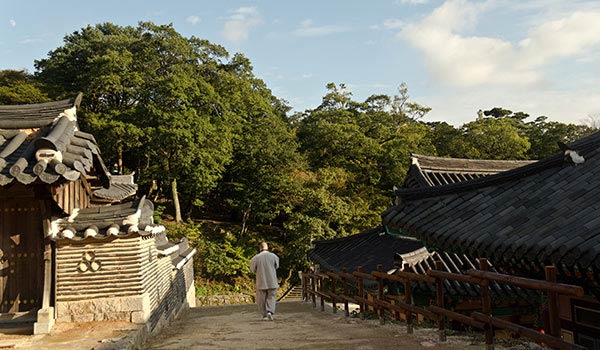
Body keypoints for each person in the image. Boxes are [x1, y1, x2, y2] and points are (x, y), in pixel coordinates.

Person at [249, 242, 279, 321]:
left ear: (260, 248)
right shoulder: (274, 256)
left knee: (261, 299)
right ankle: (270, 311)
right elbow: (277, 266)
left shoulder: (255, 258)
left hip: (261, 280)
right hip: (272, 280)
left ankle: (264, 315)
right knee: (271, 297)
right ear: (267, 247)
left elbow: (252, 269)